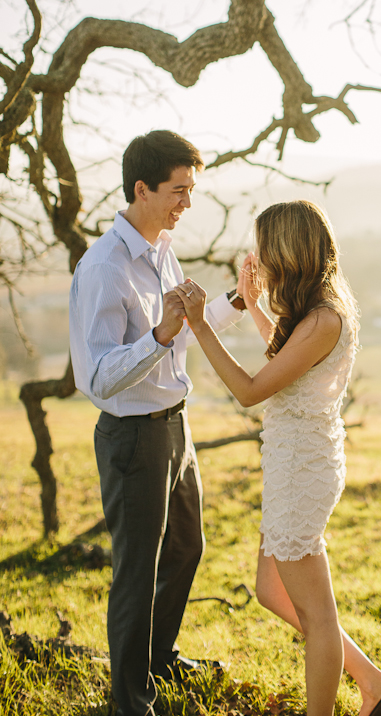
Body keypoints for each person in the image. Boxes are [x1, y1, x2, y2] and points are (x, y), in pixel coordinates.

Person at [173, 200, 381, 716]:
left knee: (317, 614)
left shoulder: (325, 318)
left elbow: (252, 390)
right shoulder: (314, 314)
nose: (259, 256)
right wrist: (251, 303)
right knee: (269, 590)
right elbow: (285, 357)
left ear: (287, 250)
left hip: (304, 470)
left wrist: (201, 323)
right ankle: (373, 682)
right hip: (290, 464)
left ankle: (344, 700)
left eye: (264, 246)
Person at [69, 130, 246, 716]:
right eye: (178, 191)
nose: (185, 204)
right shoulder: (103, 268)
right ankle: (130, 702)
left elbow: (184, 323)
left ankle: (159, 658)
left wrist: (237, 300)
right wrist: (159, 335)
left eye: (191, 190)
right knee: (136, 573)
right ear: (141, 189)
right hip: (134, 438)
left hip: (176, 426)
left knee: (186, 549)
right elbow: (95, 378)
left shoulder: (162, 248)